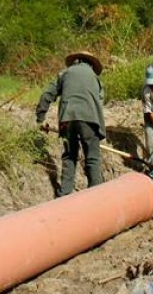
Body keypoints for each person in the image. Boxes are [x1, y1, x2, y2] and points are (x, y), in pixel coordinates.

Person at [36, 51, 107, 197]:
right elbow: (100, 101)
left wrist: (40, 118)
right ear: (91, 64)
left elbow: (47, 95)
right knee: (92, 158)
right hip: (90, 119)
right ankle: (96, 196)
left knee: (69, 155)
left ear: (76, 61)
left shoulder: (64, 74)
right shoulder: (95, 78)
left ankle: (65, 193)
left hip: (67, 119)